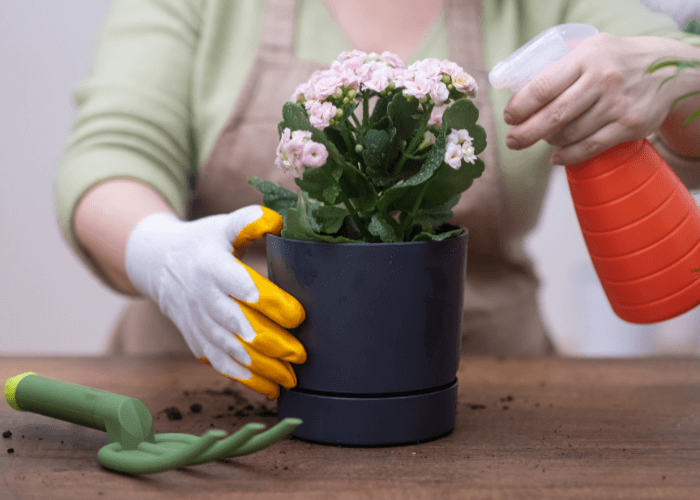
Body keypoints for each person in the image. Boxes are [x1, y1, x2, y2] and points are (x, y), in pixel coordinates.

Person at [55, 0, 700, 399]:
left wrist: (670, 72)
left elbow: (683, 89)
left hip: (489, 399)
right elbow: (113, 152)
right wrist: (159, 252)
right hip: (211, 387)